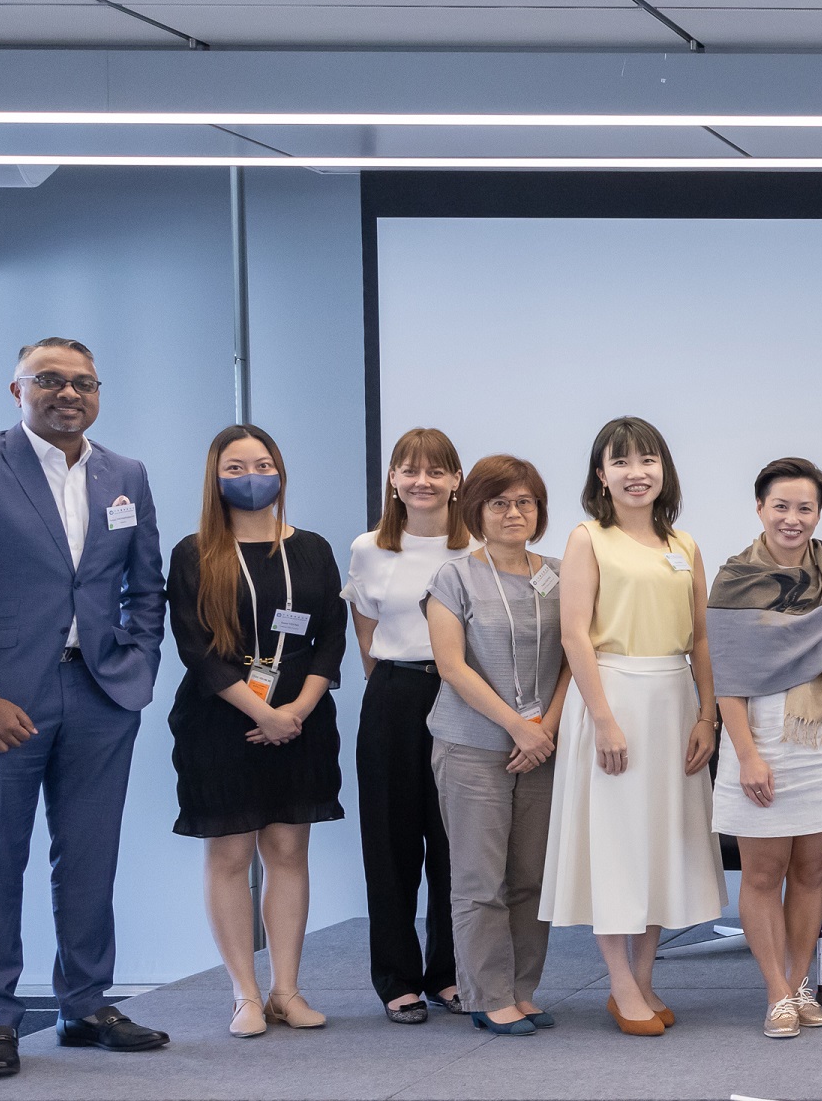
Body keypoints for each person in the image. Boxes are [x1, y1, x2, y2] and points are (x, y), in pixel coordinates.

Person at [0, 337, 172, 1078]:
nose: (68, 394)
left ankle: (86, 1003)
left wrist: (139, 669)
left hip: (100, 694)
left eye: (84, 383)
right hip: (2, 701)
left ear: (98, 393)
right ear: (16, 389)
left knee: (89, 857)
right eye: (49, 380)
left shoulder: (126, 474)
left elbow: (145, 588)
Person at [539, 416, 722, 1037]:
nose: (635, 473)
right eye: (620, 462)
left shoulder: (685, 546)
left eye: (647, 460)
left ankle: (644, 980)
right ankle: (619, 983)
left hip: (674, 702)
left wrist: (707, 714)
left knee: (658, 845)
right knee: (616, 847)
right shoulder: (588, 537)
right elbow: (574, 635)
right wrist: (603, 720)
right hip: (613, 699)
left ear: (663, 470)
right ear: (601, 475)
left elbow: (701, 636)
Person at [166, 424, 349, 1038]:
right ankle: (244, 994)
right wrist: (262, 712)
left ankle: (286, 991)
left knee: (289, 852)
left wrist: (294, 710)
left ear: (281, 471)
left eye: (262, 464)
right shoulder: (195, 554)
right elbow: (197, 650)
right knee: (231, 852)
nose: (252, 478)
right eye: (236, 468)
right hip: (221, 723)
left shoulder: (315, 548)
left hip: (303, 721)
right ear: (216, 478)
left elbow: (331, 639)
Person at [708, 458, 822, 1039]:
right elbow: (726, 673)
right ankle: (775, 992)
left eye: (805, 507)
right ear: (760, 508)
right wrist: (748, 754)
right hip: (762, 732)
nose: (792, 518)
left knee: (811, 868)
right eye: (781, 506)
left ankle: (800, 985)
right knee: (762, 874)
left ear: (819, 512)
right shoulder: (735, 579)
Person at [420, 453, 569, 1036]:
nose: (514, 513)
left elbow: (575, 659)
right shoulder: (453, 576)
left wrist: (545, 729)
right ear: (475, 508)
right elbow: (452, 667)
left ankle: (523, 989)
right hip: (473, 745)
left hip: (542, 746)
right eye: (500, 502)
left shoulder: (559, 573)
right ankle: (487, 993)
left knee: (531, 879)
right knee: (481, 880)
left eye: (525, 502)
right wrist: (518, 726)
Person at [342, 427, 467, 1022]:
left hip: (463, 697)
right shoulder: (369, 547)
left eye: (435, 471)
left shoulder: (476, 547)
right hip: (393, 696)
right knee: (391, 844)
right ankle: (397, 977)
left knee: (453, 844)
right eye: (409, 470)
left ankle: (448, 974)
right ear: (393, 479)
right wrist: (392, 685)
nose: (422, 482)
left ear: (455, 480)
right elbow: (365, 630)